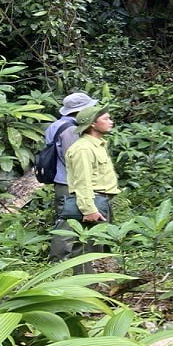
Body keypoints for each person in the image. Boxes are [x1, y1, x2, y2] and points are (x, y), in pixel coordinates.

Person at [61, 104, 119, 273]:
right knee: (88, 248)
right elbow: (82, 182)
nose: (111, 122)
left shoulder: (97, 145)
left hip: (101, 202)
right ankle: (87, 288)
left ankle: (103, 288)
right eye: (106, 119)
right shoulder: (83, 149)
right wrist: (88, 210)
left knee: (101, 246)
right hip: (93, 203)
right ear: (93, 124)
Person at [45, 92, 98, 260]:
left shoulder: (55, 125)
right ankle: (59, 260)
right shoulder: (71, 130)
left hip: (61, 180)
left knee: (66, 219)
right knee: (67, 222)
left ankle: (70, 258)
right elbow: (75, 157)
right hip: (71, 182)